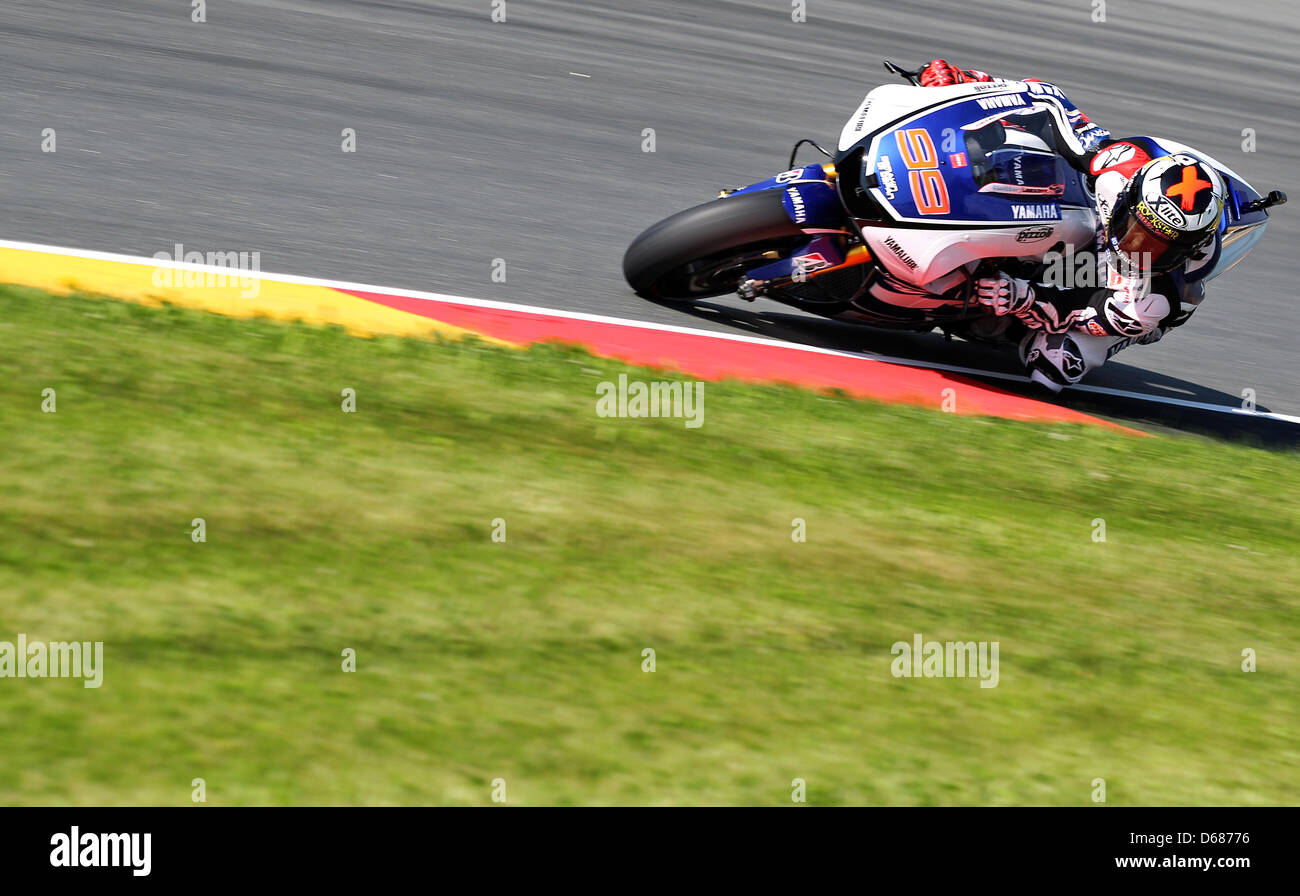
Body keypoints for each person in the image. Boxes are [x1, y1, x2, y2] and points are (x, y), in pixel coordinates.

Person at [918, 59, 1228, 391]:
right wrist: (966, 83)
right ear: (1128, 198)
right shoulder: (1119, 166)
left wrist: (1021, 296)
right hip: (1091, 220)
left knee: (1053, 366)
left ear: (1185, 252)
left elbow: (1079, 309)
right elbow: (1048, 101)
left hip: (1115, 297)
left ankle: (998, 328)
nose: (1134, 246)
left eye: (1155, 246)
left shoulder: (1151, 303)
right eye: (1134, 227)